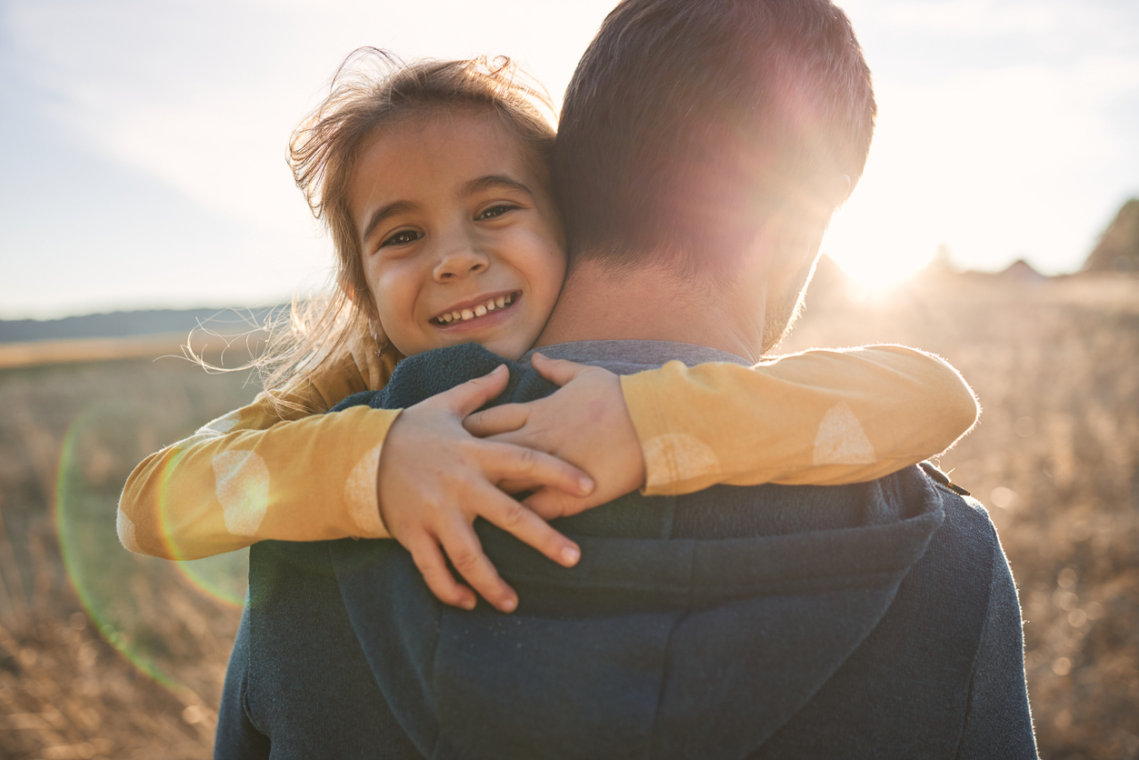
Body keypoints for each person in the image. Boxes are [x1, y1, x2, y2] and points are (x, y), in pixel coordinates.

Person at [214, 0, 1038, 757]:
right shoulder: (946, 553)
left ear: (568, 188)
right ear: (794, 230)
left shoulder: (314, 503)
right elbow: (937, 395)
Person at [117, 55, 979, 615]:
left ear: (572, 227)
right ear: (362, 291)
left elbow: (936, 397)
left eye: (495, 209)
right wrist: (377, 462)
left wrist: (649, 425)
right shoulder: (351, 385)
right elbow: (149, 509)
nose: (455, 258)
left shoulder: (646, 368)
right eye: (402, 236)